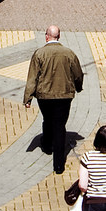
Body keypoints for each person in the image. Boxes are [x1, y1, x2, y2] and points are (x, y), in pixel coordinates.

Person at [23, 25, 84, 174]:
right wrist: (78, 87)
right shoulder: (69, 53)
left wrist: (28, 98)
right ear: (59, 36)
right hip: (64, 95)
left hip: (44, 96)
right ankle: (58, 164)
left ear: (46, 36)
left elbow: (32, 77)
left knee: (48, 119)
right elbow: (78, 74)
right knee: (59, 125)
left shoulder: (39, 54)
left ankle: (47, 145)